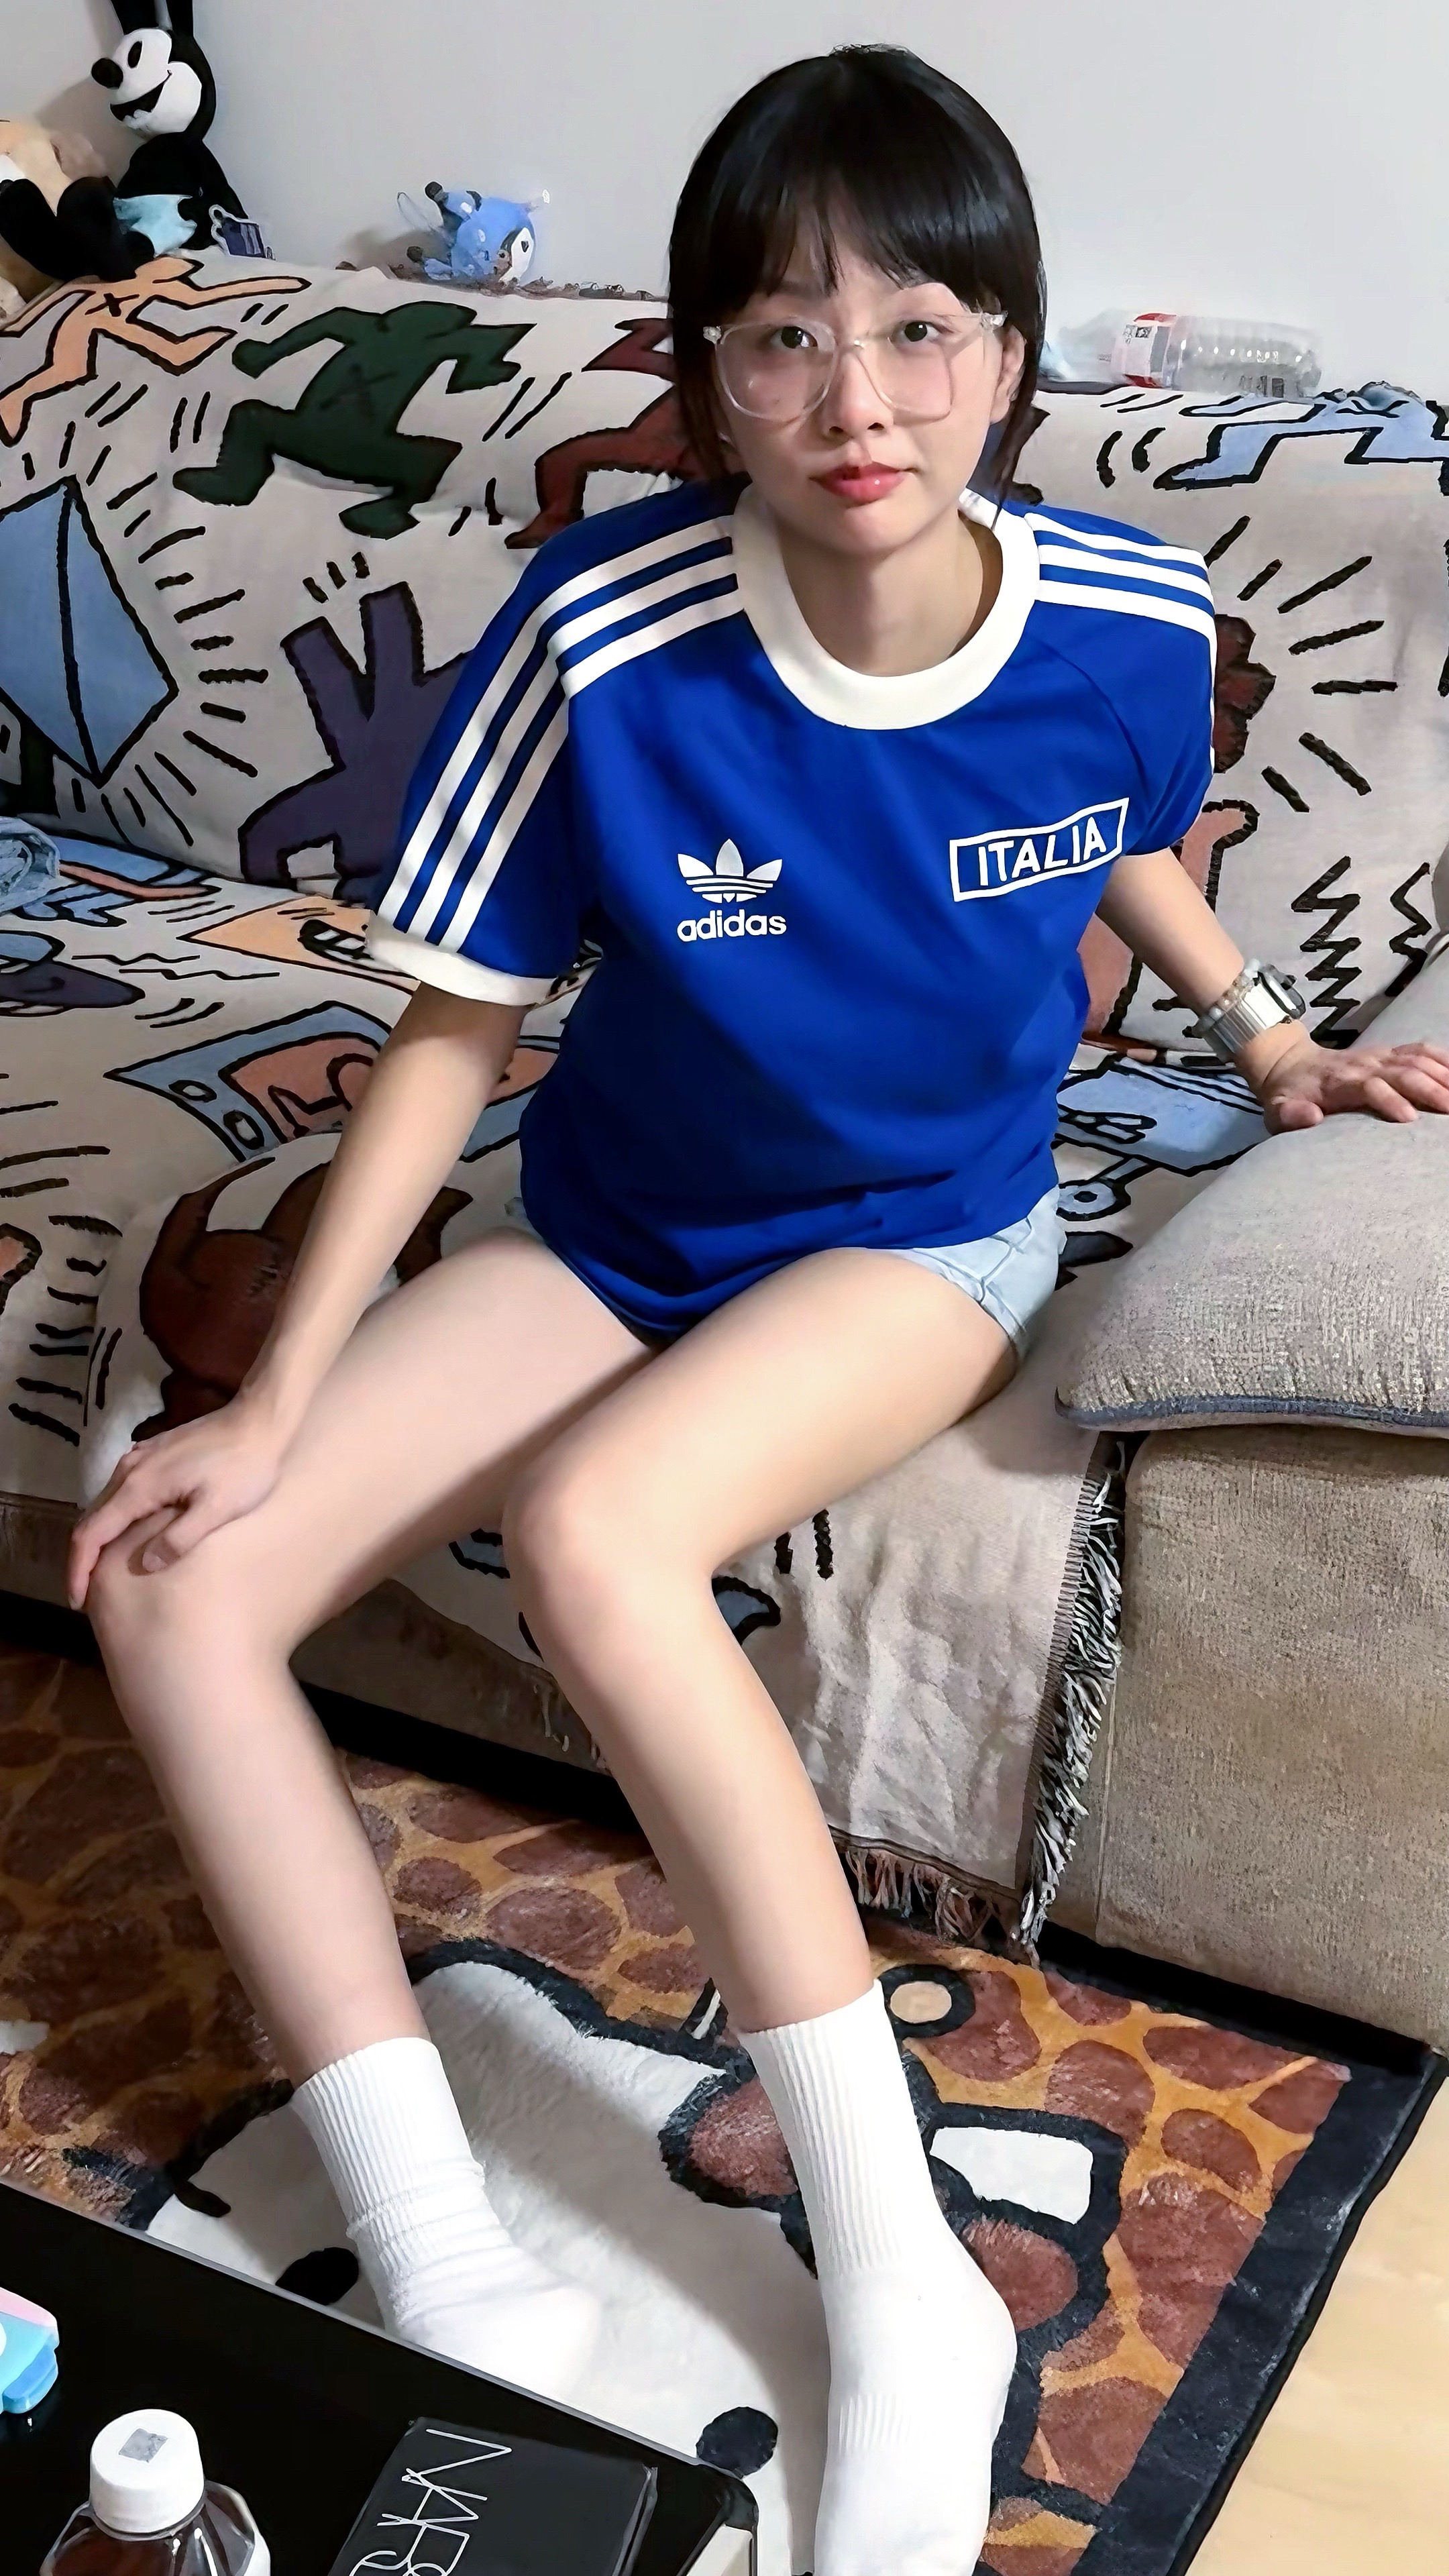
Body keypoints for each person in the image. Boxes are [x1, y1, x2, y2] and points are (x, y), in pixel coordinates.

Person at [69, 46, 1449, 2576]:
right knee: (177, 1576)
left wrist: (1272, 1042)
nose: (858, 401)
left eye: (921, 329)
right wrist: (272, 1403)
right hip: (616, 1229)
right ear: (707, 373)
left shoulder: (1130, 622)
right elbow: (453, 1036)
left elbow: (1127, 835)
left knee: (603, 1536)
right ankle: (452, 2263)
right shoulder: (606, 632)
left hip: (919, 1236)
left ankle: (904, 2266)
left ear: (1009, 356)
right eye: (787, 337)